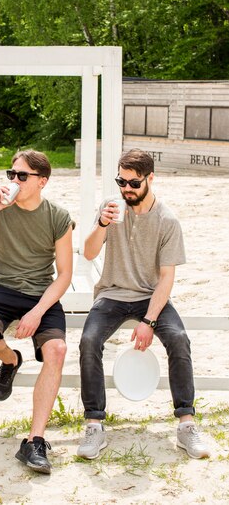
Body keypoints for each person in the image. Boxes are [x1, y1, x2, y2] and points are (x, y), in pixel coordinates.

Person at [78, 148, 210, 460]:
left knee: (179, 339)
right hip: (111, 293)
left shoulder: (167, 220)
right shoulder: (110, 207)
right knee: (88, 341)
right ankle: (94, 425)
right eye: (121, 182)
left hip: (152, 297)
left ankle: (186, 424)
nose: (127, 189)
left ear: (150, 178)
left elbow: (166, 278)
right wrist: (101, 224)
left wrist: (149, 320)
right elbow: (88, 253)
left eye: (134, 183)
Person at [0, 150, 73, 474]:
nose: (14, 181)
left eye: (22, 176)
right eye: (11, 174)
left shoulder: (57, 216)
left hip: (40, 294)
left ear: (42, 181)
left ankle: (35, 441)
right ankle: (11, 359)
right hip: (1, 290)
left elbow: (64, 275)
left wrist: (36, 312)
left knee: (57, 350)